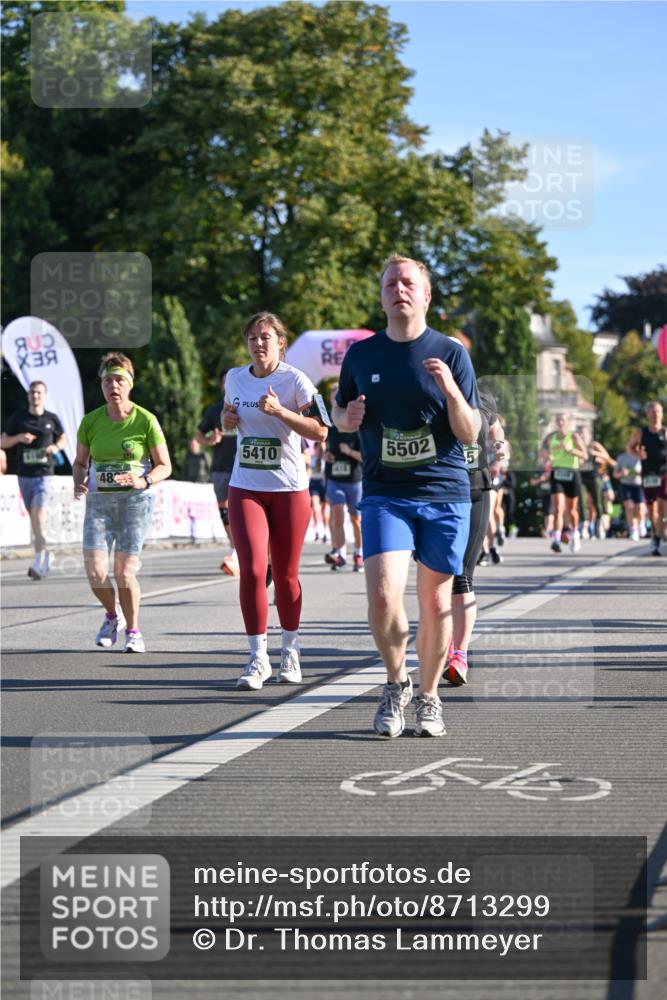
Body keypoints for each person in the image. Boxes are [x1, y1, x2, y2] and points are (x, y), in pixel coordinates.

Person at [333, 255, 480, 738]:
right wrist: (346, 419)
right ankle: (396, 682)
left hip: (443, 493)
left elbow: (470, 432)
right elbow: (339, 414)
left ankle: (430, 696)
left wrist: (451, 391)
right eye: (391, 282)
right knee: (381, 593)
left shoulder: (452, 352)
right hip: (386, 493)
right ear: (382, 296)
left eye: (409, 282)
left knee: (436, 604)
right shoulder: (362, 355)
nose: (400, 289)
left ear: (426, 295)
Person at [223, 312, 329, 690]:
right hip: (245, 485)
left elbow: (320, 431)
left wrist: (281, 411)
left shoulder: (296, 380)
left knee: (285, 575)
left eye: (265, 337)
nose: (258, 343)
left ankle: (291, 650)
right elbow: (228, 421)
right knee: (252, 570)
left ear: (280, 342)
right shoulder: (233, 378)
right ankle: (257, 658)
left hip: (288, 489)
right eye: (252, 337)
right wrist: (227, 420)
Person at [73, 353, 172, 652]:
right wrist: (79, 480)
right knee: (95, 573)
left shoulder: (146, 420)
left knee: (125, 573)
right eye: (107, 381)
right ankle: (112, 615)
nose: (113, 386)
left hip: (134, 504)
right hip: (100, 503)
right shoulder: (90, 421)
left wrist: (144, 481)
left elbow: (165, 465)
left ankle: (134, 630)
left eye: (119, 380)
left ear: (129, 384)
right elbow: (80, 462)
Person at [446, 384, 506, 686]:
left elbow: (496, 430)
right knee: (438, 576)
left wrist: (499, 455)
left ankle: (460, 653)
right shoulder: (429, 394)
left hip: (477, 490)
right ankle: (443, 643)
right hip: (439, 493)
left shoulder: (483, 397)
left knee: (463, 575)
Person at [2, 380, 66, 579]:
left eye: (38, 392)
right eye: (32, 392)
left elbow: (63, 439)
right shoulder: (19, 418)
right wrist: (19, 438)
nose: (35, 396)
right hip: (24, 475)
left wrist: (54, 448)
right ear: (28, 395)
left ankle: (39, 562)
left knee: (39, 517)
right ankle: (46, 553)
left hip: (44, 475)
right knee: (36, 521)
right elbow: (3, 441)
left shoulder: (51, 418)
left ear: (44, 395)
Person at [197, 369, 240, 575]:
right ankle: (235, 547)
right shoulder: (214, 411)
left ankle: (240, 553)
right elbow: (198, 435)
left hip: (243, 467)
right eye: (225, 382)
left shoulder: (246, 406)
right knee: (225, 511)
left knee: (241, 510)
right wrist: (209, 441)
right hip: (220, 467)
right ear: (222, 386)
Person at [323, 382, 364, 571]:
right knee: (337, 515)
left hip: (354, 479)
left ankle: (359, 552)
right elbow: (322, 448)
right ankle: (339, 553)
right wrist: (326, 455)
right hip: (334, 478)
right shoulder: (329, 426)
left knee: (356, 519)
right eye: (333, 396)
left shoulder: (355, 426)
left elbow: (365, 456)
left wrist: (349, 452)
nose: (335, 399)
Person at [540, 413, 587, 553]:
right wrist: (547, 459)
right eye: (558, 420)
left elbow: (585, 455)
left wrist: (570, 450)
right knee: (558, 508)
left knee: (572, 510)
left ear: (567, 422)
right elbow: (544, 452)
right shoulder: (551, 437)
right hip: (557, 472)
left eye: (563, 420)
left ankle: (576, 534)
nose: (560, 422)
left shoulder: (573, 436)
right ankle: (556, 539)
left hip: (572, 473)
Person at [629, 401, 667, 556]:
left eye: (658, 412)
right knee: (652, 510)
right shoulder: (641, 432)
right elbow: (630, 447)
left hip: (664, 473)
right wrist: (638, 454)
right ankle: (656, 533)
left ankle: (658, 539)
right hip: (648, 474)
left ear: (662, 414)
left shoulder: (665, 432)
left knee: (662, 506)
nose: (655, 415)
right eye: (652, 412)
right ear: (647, 415)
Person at [613, 440, 644, 541]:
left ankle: (641, 522)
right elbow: (615, 474)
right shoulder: (621, 458)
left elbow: (645, 471)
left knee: (639, 507)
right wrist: (622, 473)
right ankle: (633, 528)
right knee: (629, 506)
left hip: (638, 484)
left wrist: (634, 472)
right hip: (625, 484)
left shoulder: (639, 457)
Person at [307, 441, 330, 542]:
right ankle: (316, 531)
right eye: (318, 448)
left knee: (325, 509)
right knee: (315, 508)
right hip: (314, 484)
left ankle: (325, 530)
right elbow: (308, 470)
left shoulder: (326, 458)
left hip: (324, 483)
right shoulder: (312, 458)